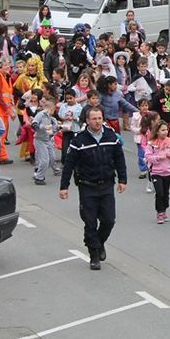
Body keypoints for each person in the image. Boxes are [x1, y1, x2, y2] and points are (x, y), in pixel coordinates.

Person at [59, 107, 127, 270]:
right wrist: (64, 186)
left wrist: (122, 179)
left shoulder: (111, 136)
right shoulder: (79, 140)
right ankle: (94, 255)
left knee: (109, 220)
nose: (97, 121)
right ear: (87, 121)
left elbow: (119, 158)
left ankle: (99, 242)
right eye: (94, 118)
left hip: (106, 185)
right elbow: (69, 164)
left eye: (100, 118)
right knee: (89, 222)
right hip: (87, 186)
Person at [145, 117, 170, 223]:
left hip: (167, 171)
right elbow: (148, 157)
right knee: (159, 193)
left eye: (166, 130)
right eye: (163, 130)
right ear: (157, 131)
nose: (165, 132)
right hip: (156, 172)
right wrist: (158, 157)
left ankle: (164, 210)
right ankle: (159, 212)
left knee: (166, 193)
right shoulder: (151, 143)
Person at [31, 96, 60, 185]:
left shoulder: (52, 119)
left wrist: (58, 128)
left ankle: (56, 170)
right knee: (44, 160)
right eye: (53, 110)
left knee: (52, 158)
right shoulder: (41, 115)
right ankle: (39, 177)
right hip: (40, 140)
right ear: (51, 109)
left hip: (48, 140)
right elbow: (34, 124)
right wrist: (42, 127)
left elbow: (56, 128)